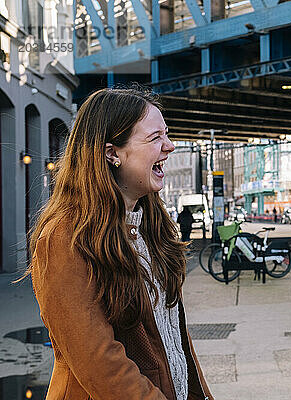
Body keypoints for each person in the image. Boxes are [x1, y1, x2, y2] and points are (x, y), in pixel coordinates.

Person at [24, 87, 214, 400]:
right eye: (155, 138)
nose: (170, 146)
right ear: (112, 153)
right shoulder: (63, 238)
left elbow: (175, 340)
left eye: (166, 134)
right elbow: (100, 362)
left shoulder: (151, 224)